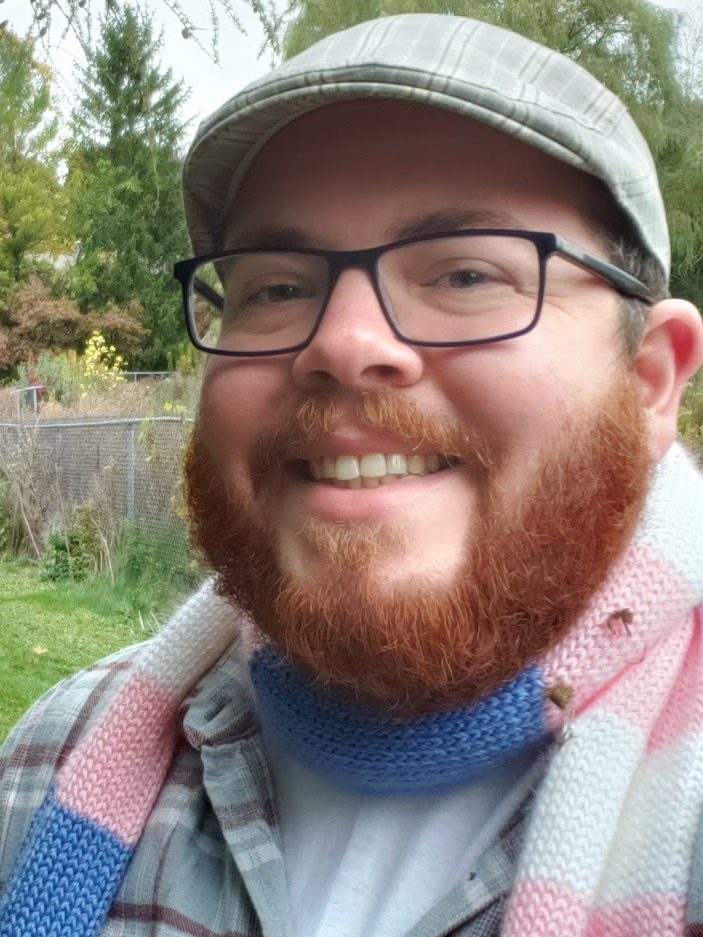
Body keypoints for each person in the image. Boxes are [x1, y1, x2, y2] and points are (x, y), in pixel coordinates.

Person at [1, 12, 703, 937]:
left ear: (650, 379)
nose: (341, 342)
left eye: (464, 275)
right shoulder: (48, 765)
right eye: (276, 287)